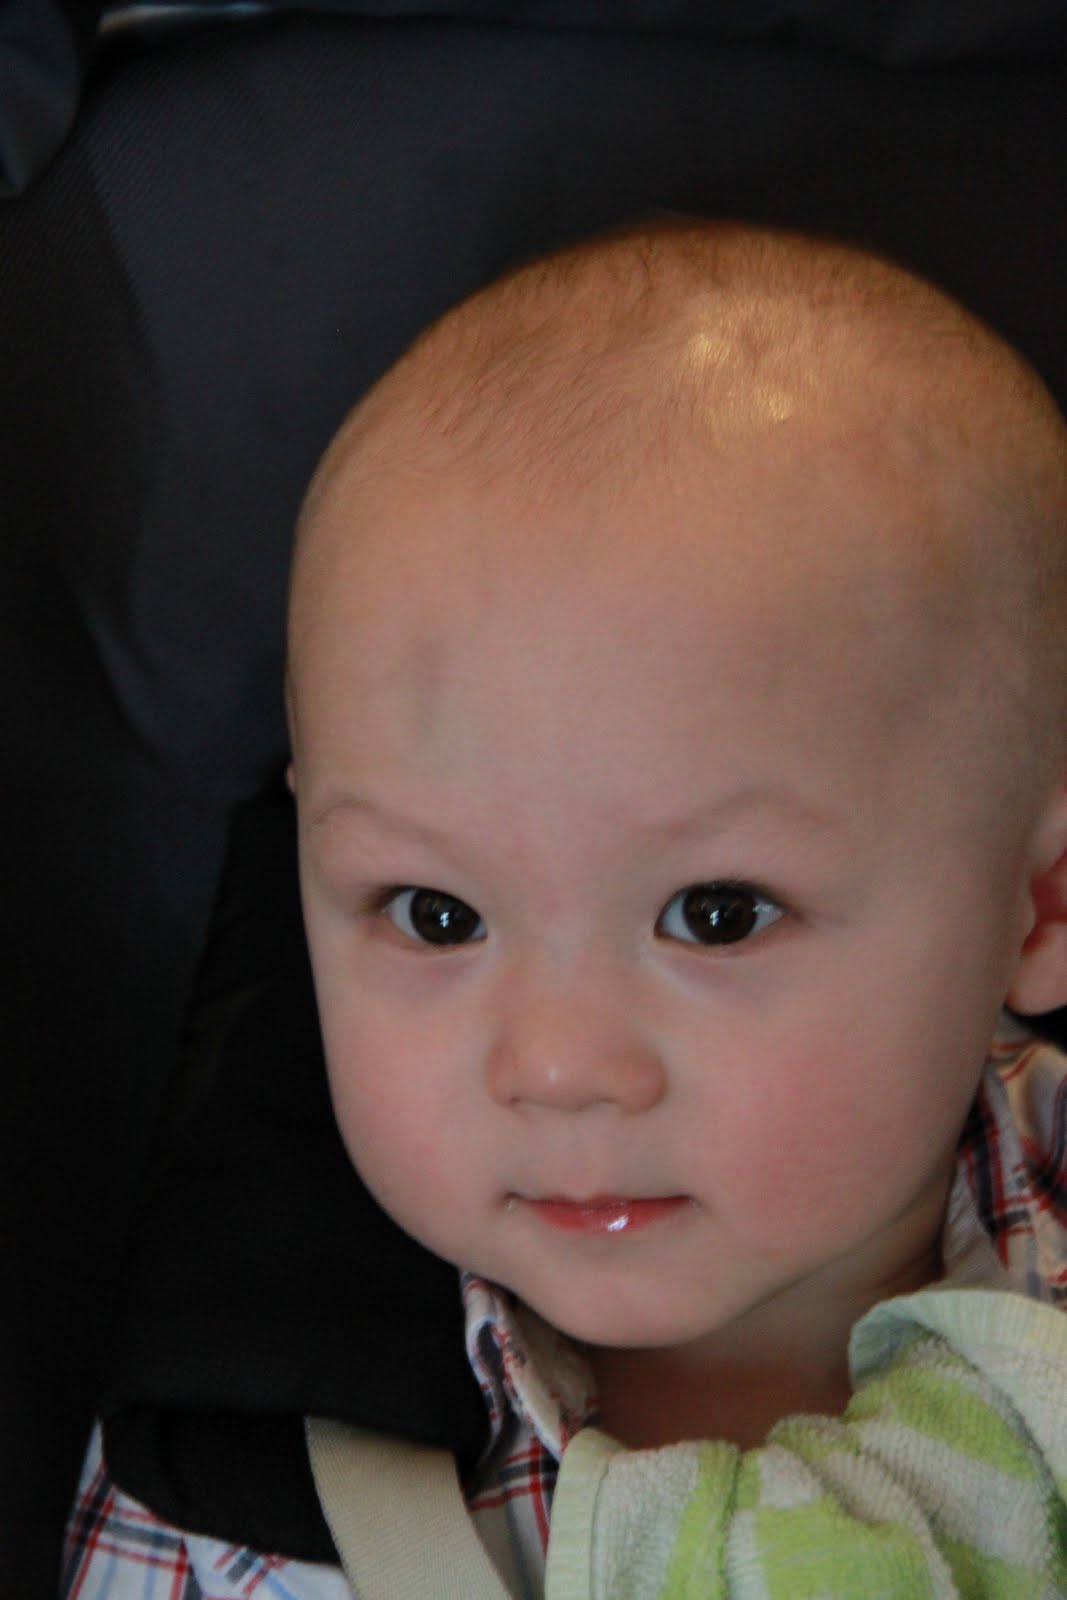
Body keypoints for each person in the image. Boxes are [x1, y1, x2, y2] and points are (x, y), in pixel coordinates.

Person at [64, 221, 1067, 1596]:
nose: (556, 1066)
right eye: (436, 915)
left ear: (1041, 901)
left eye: (717, 916)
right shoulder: (240, 1470)